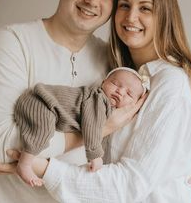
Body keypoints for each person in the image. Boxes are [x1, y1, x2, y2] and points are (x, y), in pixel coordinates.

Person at [0, 0, 191, 202]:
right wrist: (100, 129)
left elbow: (148, 157)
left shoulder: (114, 67)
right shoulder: (14, 41)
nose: (93, 1)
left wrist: (187, 158)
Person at [14, 67, 146, 186]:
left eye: (129, 93)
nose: (120, 91)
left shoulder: (109, 113)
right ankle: (24, 164)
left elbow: (102, 135)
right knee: (43, 131)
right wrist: (95, 155)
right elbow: (91, 125)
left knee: (43, 130)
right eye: (115, 83)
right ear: (103, 82)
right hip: (41, 101)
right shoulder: (98, 98)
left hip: (44, 107)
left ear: (133, 105)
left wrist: (104, 161)